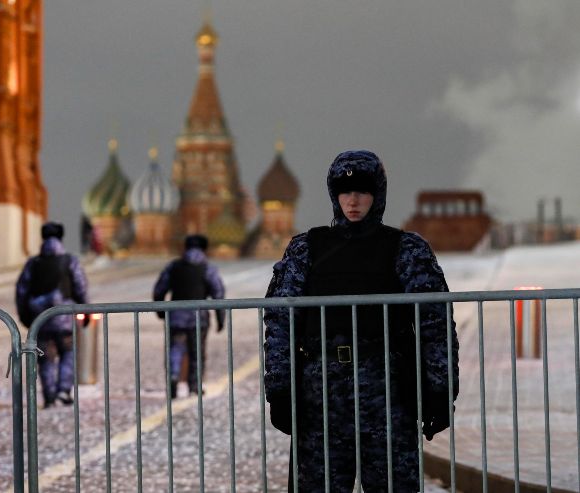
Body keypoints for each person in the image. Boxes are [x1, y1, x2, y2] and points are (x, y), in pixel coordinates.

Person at [263, 150, 459, 491]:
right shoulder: (306, 249)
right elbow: (280, 320)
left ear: (378, 194)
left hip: (386, 396)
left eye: (363, 191)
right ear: (334, 195)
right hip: (320, 400)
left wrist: (439, 389)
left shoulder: (407, 249)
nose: (353, 201)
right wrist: (279, 389)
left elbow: (435, 321)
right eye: (345, 191)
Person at [16, 221, 89, 408]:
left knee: (45, 358)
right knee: (68, 354)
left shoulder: (33, 264)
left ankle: (49, 396)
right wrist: (86, 311)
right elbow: (80, 288)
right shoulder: (69, 261)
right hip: (65, 320)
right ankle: (64, 390)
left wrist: (25, 317)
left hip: (42, 320)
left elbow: (22, 291)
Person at [153, 234, 225, 398]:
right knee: (197, 352)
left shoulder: (173, 266)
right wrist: (221, 318)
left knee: (175, 348)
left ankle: (173, 376)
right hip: (198, 317)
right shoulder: (208, 268)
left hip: (176, 315)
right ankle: (194, 386)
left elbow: (159, 289)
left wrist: (160, 311)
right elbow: (218, 293)